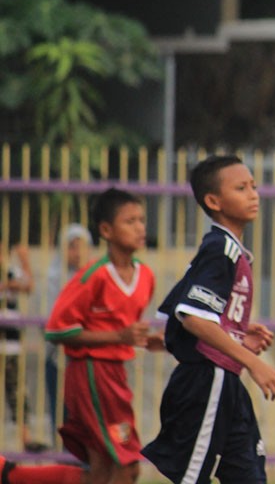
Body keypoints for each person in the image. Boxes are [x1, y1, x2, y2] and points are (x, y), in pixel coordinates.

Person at [142, 155, 275, 484]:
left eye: (254, 186)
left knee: (249, 474)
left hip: (226, 385)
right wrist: (255, 362)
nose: (253, 194)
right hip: (207, 384)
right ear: (213, 201)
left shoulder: (228, 250)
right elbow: (192, 317)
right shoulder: (220, 250)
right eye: (241, 188)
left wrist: (237, 331)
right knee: (194, 477)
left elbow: (193, 312)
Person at [44, 188, 162, 484]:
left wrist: (147, 340)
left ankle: (13, 474)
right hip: (91, 374)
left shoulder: (145, 276)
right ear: (106, 230)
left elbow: (127, 331)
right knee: (127, 465)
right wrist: (118, 337)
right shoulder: (92, 276)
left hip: (116, 375)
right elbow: (58, 330)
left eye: (142, 220)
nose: (139, 228)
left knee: (101, 469)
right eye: (130, 221)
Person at [0, 241, 47, 453]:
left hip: (10, 344)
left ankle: (25, 438)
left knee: (17, 392)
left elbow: (28, 285)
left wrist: (25, 260)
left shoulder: (10, 271)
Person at [45, 223, 92, 435]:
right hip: (58, 356)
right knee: (62, 414)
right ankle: (64, 462)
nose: (77, 252)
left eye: (82, 246)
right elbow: (49, 320)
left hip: (88, 357)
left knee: (87, 415)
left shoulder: (94, 278)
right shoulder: (53, 278)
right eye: (72, 246)